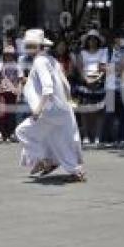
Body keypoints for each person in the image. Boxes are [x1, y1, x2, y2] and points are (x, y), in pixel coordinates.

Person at [16, 29, 86, 182]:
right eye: (28, 45)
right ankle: (74, 170)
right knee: (57, 138)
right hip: (60, 108)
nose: (28, 48)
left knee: (22, 131)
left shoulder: (40, 61)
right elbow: (65, 84)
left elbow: (48, 87)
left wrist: (38, 109)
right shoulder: (52, 60)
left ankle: (46, 160)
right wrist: (69, 102)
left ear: (39, 46)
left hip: (49, 109)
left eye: (30, 45)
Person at [76, 30, 108, 147]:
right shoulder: (82, 53)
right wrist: (87, 80)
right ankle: (85, 136)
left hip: (98, 84)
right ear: (87, 41)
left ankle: (97, 137)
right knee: (85, 112)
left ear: (98, 41)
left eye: (94, 39)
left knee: (99, 111)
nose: (92, 41)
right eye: (90, 39)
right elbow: (80, 68)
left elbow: (103, 67)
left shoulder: (102, 52)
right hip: (85, 84)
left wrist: (95, 80)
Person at [0, 45, 21, 143]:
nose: (8, 56)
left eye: (11, 55)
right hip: (3, 92)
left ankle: (9, 134)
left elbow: (20, 80)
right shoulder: (0, 65)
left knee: (11, 115)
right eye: (6, 55)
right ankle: (4, 135)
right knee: (2, 114)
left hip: (13, 92)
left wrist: (19, 93)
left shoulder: (17, 66)